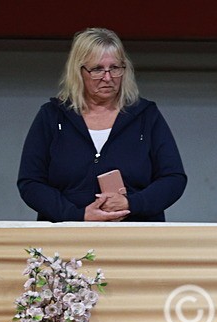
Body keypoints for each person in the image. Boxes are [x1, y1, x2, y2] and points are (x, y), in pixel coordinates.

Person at [17, 28, 186, 222]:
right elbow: (30, 183)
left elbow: (173, 178)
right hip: (67, 233)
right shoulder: (51, 116)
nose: (108, 78)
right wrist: (77, 215)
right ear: (79, 72)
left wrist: (131, 203)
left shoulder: (146, 115)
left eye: (115, 68)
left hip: (135, 232)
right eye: (97, 69)